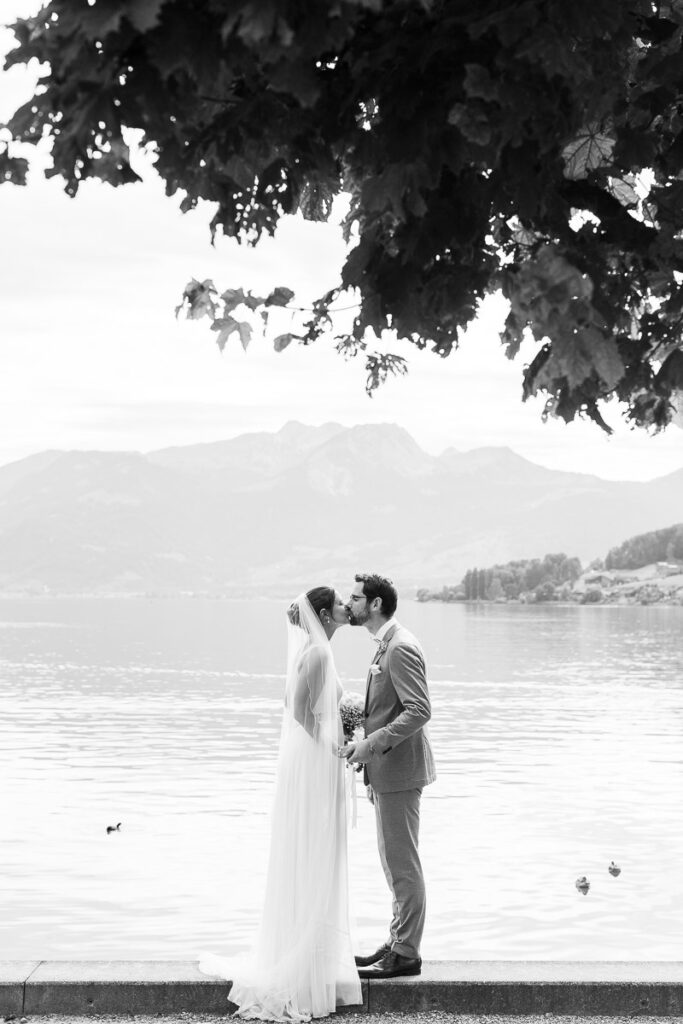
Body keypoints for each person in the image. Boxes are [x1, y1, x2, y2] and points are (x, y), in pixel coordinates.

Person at [200, 587, 362, 1021]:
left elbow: (294, 703)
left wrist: (342, 724)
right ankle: (303, 967)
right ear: (327, 613)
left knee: (309, 851)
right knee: (314, 852)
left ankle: (307, 955)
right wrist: (333, 742)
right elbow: (296, 709)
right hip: (313, 761)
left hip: (308, 759)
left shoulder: (316, 649)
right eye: (344, 604)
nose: (350, 607)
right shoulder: (320, 654)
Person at [339, 573, 435, 980]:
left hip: (399, 769)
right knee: (391, 860)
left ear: (375, 604)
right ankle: (397, 941)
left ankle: (407, 953)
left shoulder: (399, 648)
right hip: (387, 771)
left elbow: (419, 710)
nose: (351, 604)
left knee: (402, 863)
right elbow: (391, 708)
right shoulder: (387, 645)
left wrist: (372, 743)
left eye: (357, 598)